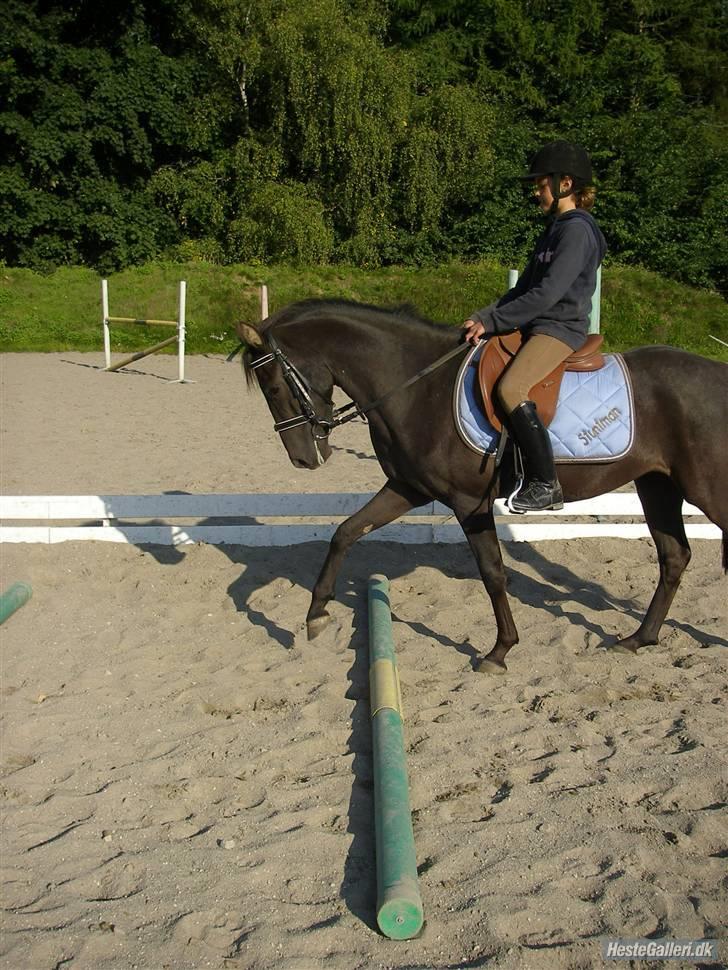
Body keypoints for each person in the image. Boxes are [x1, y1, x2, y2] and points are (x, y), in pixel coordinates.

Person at [462, 140, 608, 512]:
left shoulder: (577, 230)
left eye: (542, 184)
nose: (536, 190)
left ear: (565, 185)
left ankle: (546, 483)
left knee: (512, 388)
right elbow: (523, 289)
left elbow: (545, 295)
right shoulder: (553, 229)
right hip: (537, 324)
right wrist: (484, 317)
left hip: (560, 328)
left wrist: (496, 321)